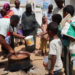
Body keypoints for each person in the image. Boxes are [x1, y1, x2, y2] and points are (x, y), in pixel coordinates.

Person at [62, 5, 74, 75]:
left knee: (68, 65)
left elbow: (72, 38)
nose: (63, 15)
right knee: (68, 64)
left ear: (66, 13)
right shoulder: (70, 22)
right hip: (67, 45)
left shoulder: (70, 23)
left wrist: (67, 26)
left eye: (63, 13)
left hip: (68, 46)